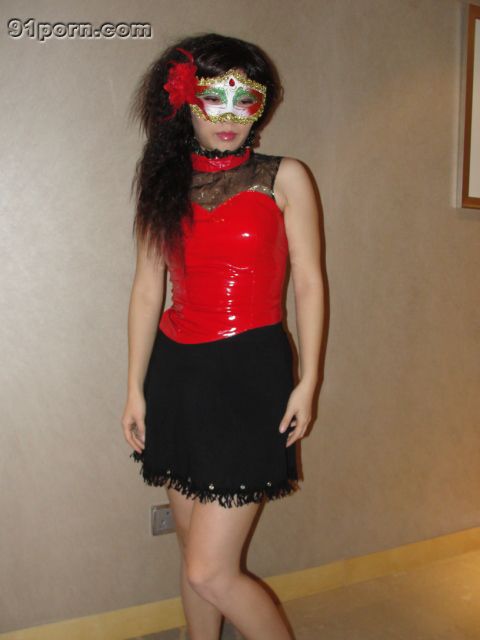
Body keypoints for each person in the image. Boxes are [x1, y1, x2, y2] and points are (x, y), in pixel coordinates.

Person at [121, 32, 323, 640]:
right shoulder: (164, 184)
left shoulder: (286, 177)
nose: (229, 116)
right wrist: (133, 388)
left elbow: (309, 282)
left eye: (245, 99)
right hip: (176, 375)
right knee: (192, 555)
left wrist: (309, 380)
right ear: (184, 102)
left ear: (262, 106)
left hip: (250, 373)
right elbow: (147, 289)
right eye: (214, 98)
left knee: (210, 570)